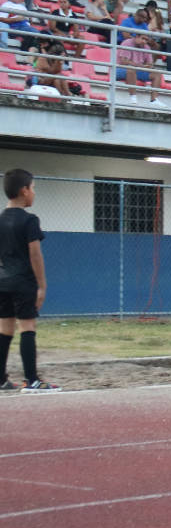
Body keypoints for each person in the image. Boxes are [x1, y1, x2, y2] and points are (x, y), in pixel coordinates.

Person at [0, 168, 56, 392]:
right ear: (24, 191)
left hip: (2, 281)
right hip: (23, 282)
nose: (34, 193)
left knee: (4, 328)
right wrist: (41, 286)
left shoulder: (0, 219)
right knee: (27, 327)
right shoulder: (30, 220)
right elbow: (35, 254)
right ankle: (32, 380)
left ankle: (1, 379)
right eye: (33, 188)